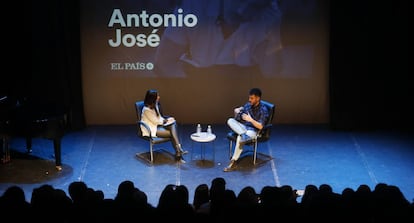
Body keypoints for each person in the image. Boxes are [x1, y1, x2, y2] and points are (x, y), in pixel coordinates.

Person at [153, 0, 283, 78]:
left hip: (246, 89)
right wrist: (186, 91)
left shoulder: (268, 13)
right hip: (197, 84)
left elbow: (272, 71)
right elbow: (164, 62)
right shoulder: (193, 6)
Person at [224, 88, 269, 172]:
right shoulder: (248, 105)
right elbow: (238, 117)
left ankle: (233, 162)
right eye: (249, 98)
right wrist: (237, 112)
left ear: (258, 98)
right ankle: (243, 135)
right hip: (244, 128)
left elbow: (260, 126)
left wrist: (250, 119)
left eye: (252, 98)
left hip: (253, 131)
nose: (249, 100)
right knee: (230, 120)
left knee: (239, 138)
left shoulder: (263, 110)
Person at [141, 89, 188, 163]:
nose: (159, 97)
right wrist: (165, 121)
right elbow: (155, 121)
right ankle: (178, 151)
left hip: (158, 125)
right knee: (173, 134)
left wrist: (168, 120)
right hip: (151, 129)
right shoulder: (146, 110)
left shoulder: (155, 104)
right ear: (152, 99)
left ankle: (178, 151)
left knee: (173, 124)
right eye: (157, 96)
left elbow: (159, 118)